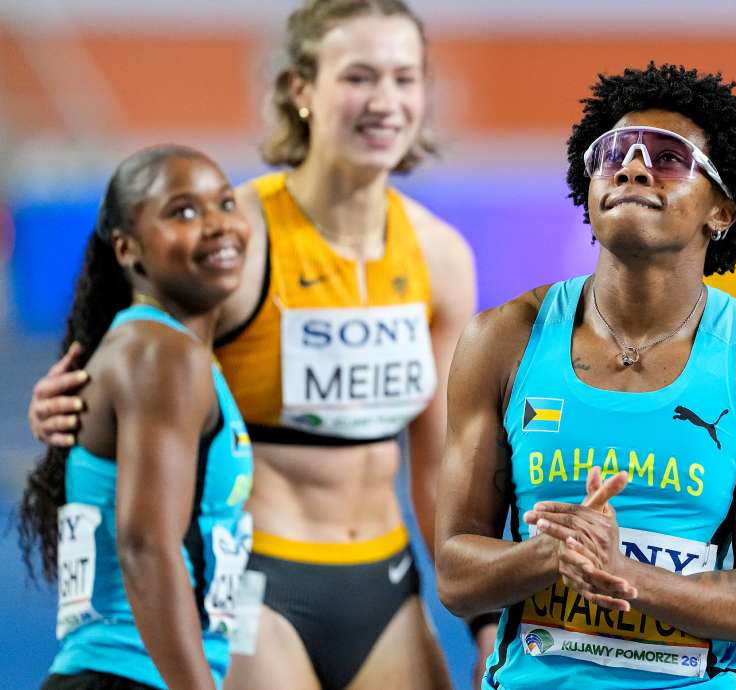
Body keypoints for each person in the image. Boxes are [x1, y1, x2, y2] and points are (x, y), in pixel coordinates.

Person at [26, 2, 477, 688]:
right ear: (301, 88)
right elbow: (134, 364)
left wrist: (480, 617)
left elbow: (438, 464)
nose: (385, 101)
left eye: (404, 77)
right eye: (359, 76)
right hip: (254, 586)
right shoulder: (232, 242)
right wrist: (65, 409)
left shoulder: (441, 257)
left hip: (385, 582)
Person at [433, 63, 736, 690]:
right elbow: (456, 575)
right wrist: (552, 554)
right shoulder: (502, 341)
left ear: (721, 211)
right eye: (613, 154)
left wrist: (620, 571)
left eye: (669, 159)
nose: (632, 169)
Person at [19, 145, 253, 689]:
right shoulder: (160, 353)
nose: (218, 224)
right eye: (184, 212)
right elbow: (145, 547)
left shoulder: (166, 348)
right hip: (129, 675)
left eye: (225, 203)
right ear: (128, 248)